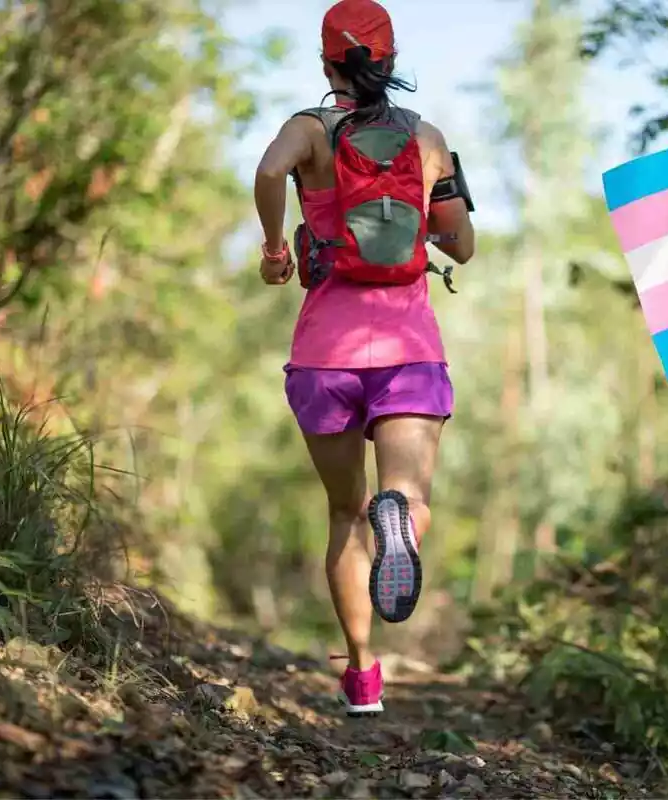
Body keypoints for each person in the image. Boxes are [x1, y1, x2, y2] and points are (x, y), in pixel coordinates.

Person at [252, 0, 475, 718]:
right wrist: (416, 228)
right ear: (391, 60)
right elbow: (462, 245)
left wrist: (276, 247)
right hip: (408, 347)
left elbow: (266, 170)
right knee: (406, 499)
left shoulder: (309, 129)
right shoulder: (428, 138)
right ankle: (401, 520)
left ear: (327, 64)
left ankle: (362, 674)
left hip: (324, 355)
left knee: (345, 514)